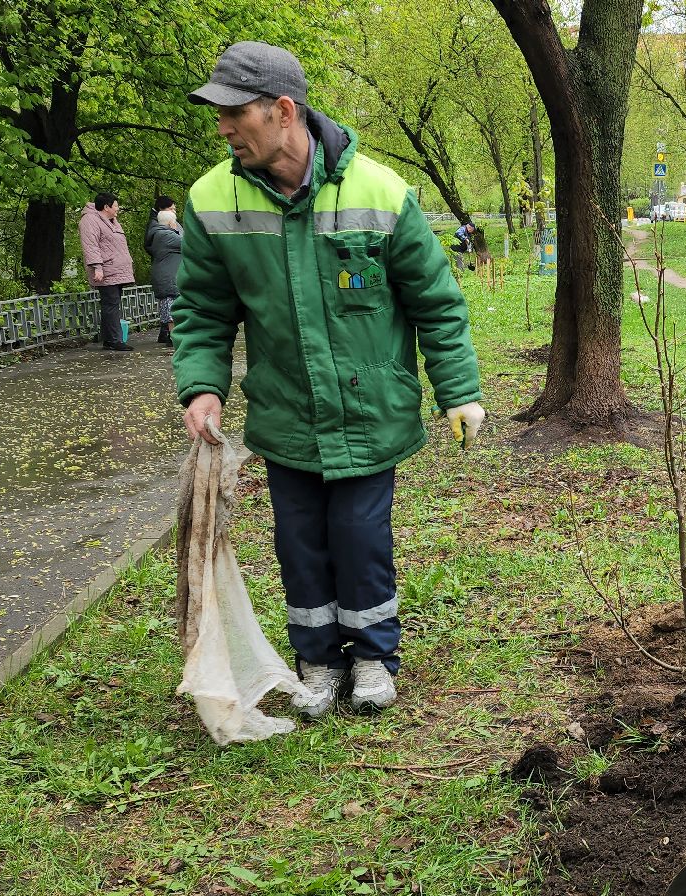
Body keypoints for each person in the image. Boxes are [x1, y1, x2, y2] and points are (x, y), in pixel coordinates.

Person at [171, 41, 484, 716]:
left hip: (370, 413)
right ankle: (317, 661)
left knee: (359, 538)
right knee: (300, 544)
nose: (222, 128)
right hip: (286, 412)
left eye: (234, 113)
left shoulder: (380, 192)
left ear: (282, 112)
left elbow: (435, 302)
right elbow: (202, 309)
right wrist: (202, 386)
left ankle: (372, 657)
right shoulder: (212, 199)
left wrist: (459, 390)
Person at [78, 191, 135, 351]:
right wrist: (97, 267)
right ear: (106, 207)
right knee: (111, 304)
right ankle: (114, 340)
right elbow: (91, 246)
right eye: (116, 205)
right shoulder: (90, 220)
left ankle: (109, 339)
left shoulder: (112, 221)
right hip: (106, 270)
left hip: (117, 270)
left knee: (112, 304)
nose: (118, 208)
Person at [145, 196, 183, 345]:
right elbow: (188, 244)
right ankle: (173, 337)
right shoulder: (166, 235)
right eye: (172, 209)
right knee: (171, 308)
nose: (175, 212)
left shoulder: (159, 232)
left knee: (170, 307)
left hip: (167, 274)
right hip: (169, 276)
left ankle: (170, 335)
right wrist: (176, 230)